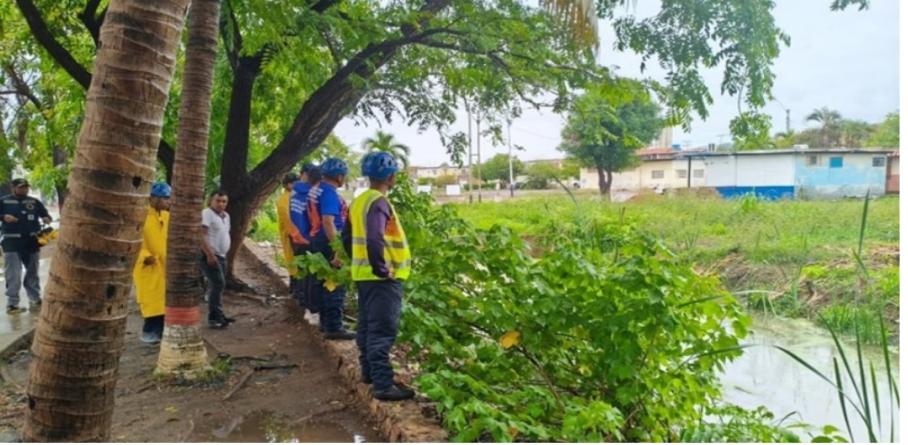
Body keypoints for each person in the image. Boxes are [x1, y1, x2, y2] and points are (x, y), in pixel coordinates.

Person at [343, 152, 414, 401]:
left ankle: (369, 373)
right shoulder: (379, 202)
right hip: (382, 279)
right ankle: (383, 385)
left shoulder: (359, 201)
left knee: (366, 327)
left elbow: (346, 238)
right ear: (391, 176)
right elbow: (374, 238)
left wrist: (360, 262)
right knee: (382, 330)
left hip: (363, 275)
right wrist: (382, 269)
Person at [308, 158, 355, 340]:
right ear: (339, 176)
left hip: (316, 238)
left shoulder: (316, 189)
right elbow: (328, 222)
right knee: (335, 283)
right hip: (328, 240)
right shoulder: (329, 193)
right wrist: (339, 248)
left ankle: (325, 322)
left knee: (322, 283)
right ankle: (334, 326)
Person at [1, 178, 52, 314]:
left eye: (26, 187)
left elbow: (45, 215)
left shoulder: (34, 202)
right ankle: (12, 304)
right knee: (13, 274)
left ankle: (34, 298)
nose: (24, 189)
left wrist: (46, 218)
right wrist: (3, 217)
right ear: (13, 188)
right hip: (12, 242)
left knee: (32, 272)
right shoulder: (4, 201)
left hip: (31, 241)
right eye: (21, 187)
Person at [133, 182, 171, 344]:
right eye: (166, 198)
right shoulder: (140, 217)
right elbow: (132, 242)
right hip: (148, 266)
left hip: (166, 267)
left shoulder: (166, 216)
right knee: (152, 303)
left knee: (164, 303)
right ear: (153, 198)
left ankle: (160, 333)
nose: (169, 202)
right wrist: (144, 256)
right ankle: (148, 333)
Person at [200, 190, 234, 329]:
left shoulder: (226, 216)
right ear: (211, 201)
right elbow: (201, 235)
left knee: (217, 285)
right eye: (218, 201)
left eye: (224, 201)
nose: (221, 204)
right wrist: (209, 254)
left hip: (221, 256)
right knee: (218, 284)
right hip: (210, 255)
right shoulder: (207, 214)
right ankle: (214, 318)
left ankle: (218, 314)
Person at [289, 163, 320, 311]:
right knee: (310, 273)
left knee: (303, 270)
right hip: (306, 236)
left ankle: (302, 299)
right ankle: (311, 305)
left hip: (295, 236)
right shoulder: (310, 194)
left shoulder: (295, 191)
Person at [277, 173, 303, 293]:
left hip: (295, 236)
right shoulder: (285, 199)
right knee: (294, 264)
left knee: (296, 264)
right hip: (292, 236)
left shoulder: (293, 197)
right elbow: (287, 220)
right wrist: (296, 235)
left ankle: (296, 291)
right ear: (288, 185)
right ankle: (295, 292)